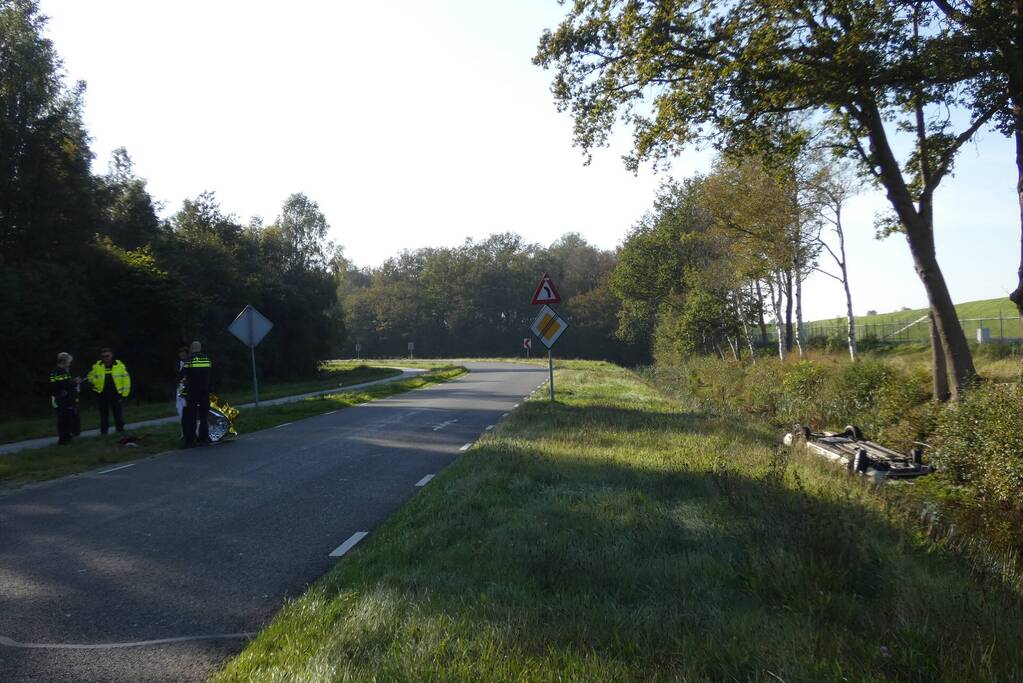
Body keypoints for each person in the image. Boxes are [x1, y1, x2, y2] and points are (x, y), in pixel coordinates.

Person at [86, 347, 131, 435]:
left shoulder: (119, 366)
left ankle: (120, 430)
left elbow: (126, 379)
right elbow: (90, 377)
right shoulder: (97, 366)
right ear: (101, 357)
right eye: (104, 356)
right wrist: (96, 382)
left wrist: (125, 393)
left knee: (118, 413)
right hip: (102, 393)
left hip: (116, 393)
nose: (106, 358)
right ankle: (104, 432)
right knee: (104, 414)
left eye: (107, 356)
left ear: (111, 355)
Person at [179, 341, 213, 447]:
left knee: (191, 416)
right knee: (203, 416)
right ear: (200, 348)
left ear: (192, 348)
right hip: (205, 391)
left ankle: (191, 441)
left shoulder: (189, 360)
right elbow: (212, 374)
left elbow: (182, 376)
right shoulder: (207, 359)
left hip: (193, 391)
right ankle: (204, 439)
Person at [49, 352, 82, 445]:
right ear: (64, 362)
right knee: (64, 421)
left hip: (65, 399)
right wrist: (75, 382)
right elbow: (64, 384)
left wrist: (73, 382)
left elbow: (66, 383)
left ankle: (68, 438)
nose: (70, 364)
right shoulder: (58, 371)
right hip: (62, 400)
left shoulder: (63, 371)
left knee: (69, 419)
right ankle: (63, 440)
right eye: (68, 362)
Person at [175, 346, 188, 421]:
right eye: (180, 355)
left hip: (187, 388)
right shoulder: (178, 365)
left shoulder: (190, 364)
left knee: (186, 406)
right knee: (178, 406)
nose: (182, 357)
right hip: (180, 388)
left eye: (183, 355)